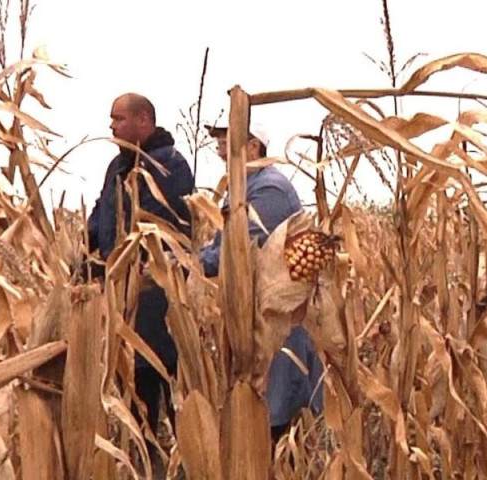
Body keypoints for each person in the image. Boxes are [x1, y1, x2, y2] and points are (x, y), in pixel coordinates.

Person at [86, 93, 194, 469]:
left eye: (118, 118)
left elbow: (168, 226)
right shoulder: (117, 166)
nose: (111, 126)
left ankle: (185, 466)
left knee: (170, 389)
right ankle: (146, 466)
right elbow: (102, 216)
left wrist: (137, 265)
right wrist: (87, 261)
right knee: (136, 394)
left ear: (143, 121)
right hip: (125, 301)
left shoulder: (170, 166)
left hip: (159, 302)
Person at [201, 121, 324, 441]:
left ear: (253, 147)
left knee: (274, 418)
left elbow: (239, 255)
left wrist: (186, 264)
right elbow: (219, 247)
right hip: (256, 318)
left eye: (225, 139)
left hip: (277, 321)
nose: (218, 145)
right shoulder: (242, 187)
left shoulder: (268, 189)